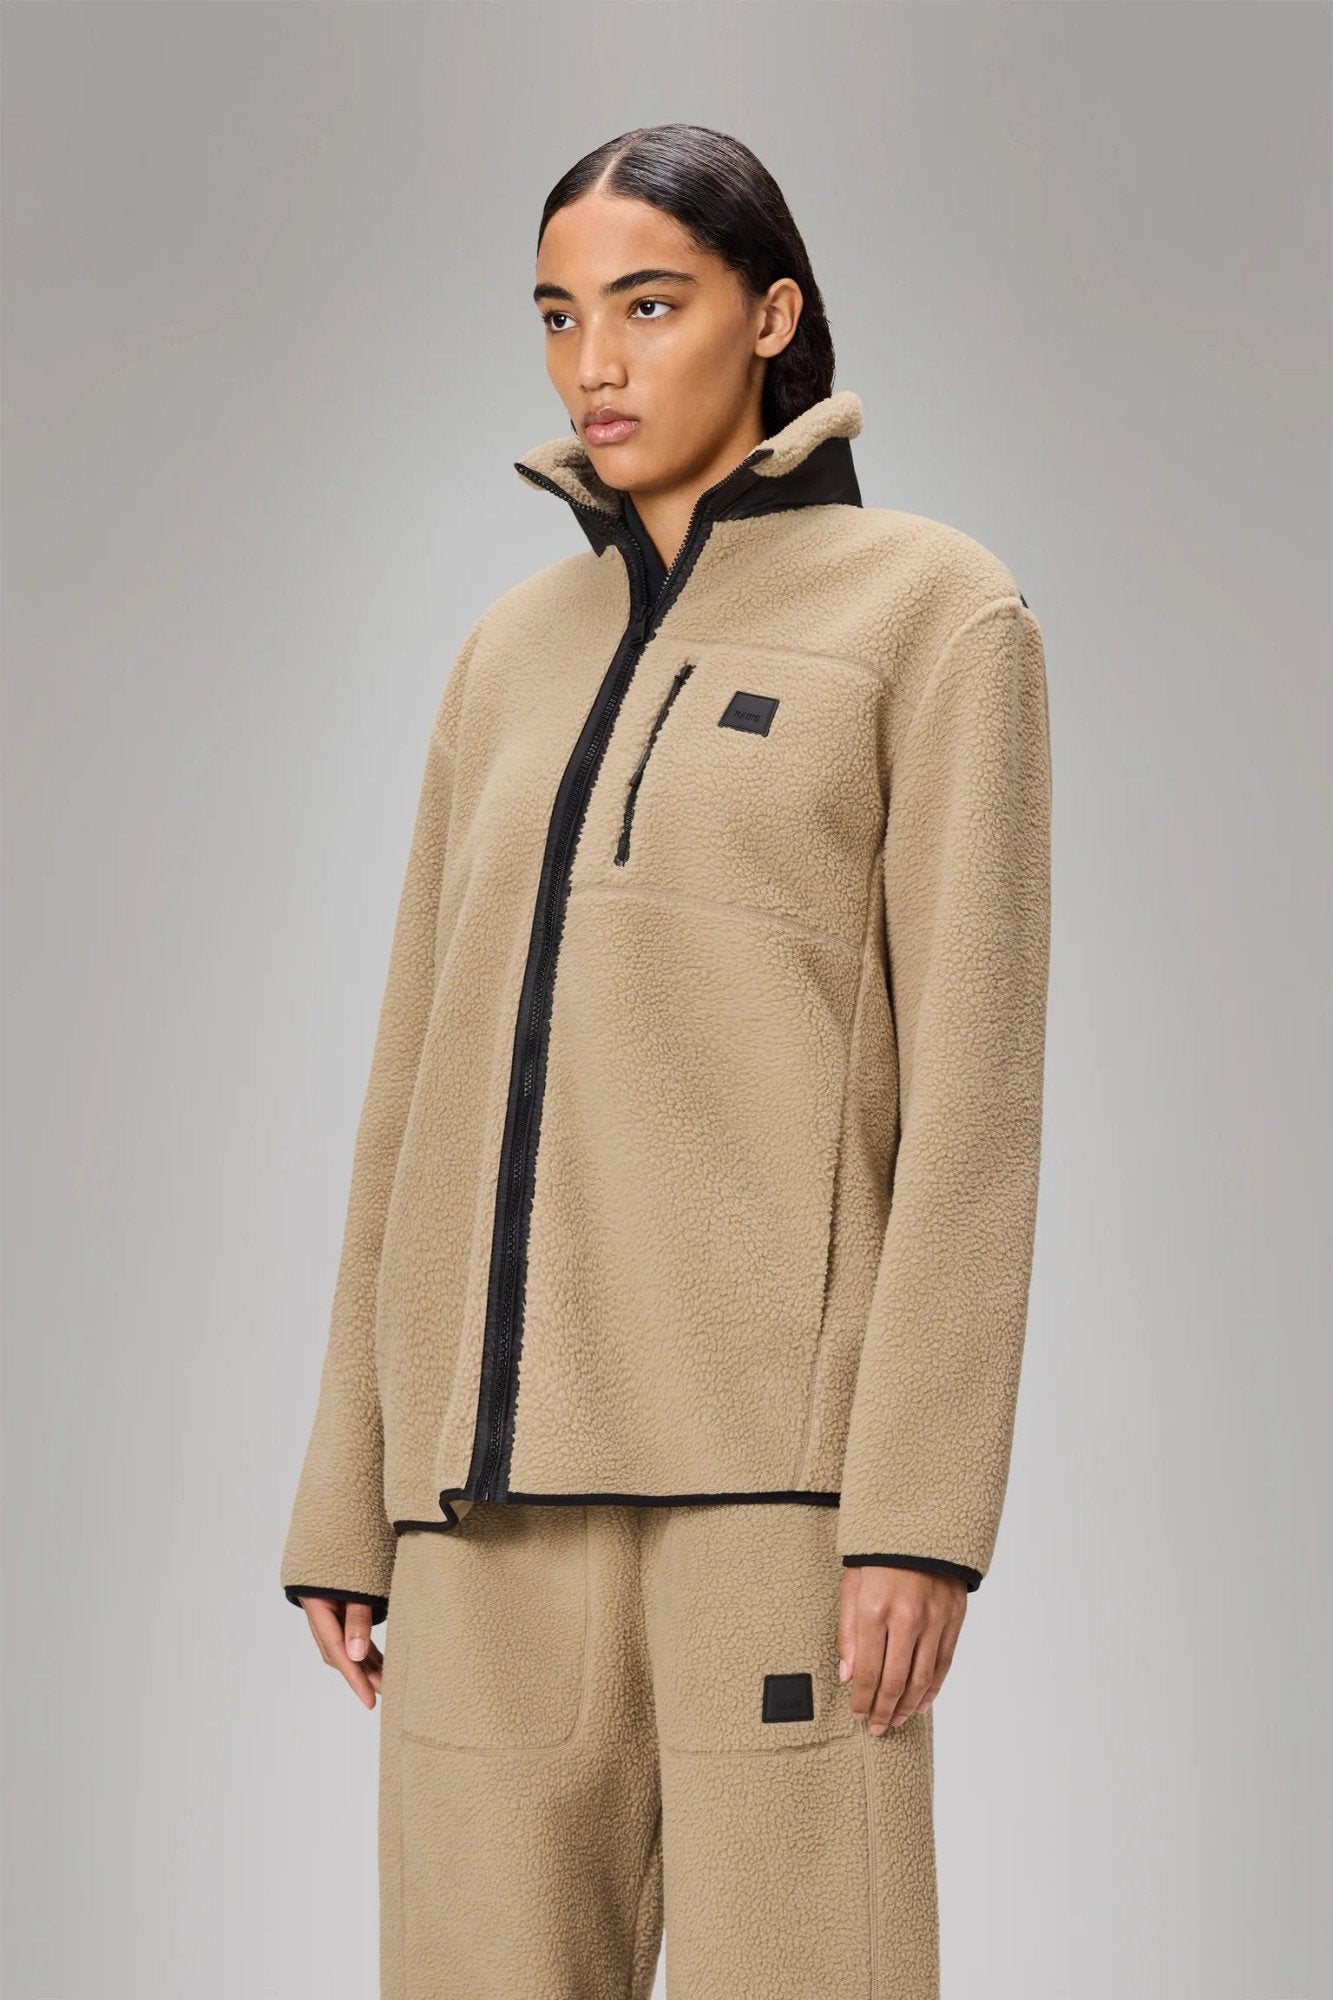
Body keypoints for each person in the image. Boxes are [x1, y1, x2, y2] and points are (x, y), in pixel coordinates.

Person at [280, 121, 1052, 2000]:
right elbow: (412, 1088)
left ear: (769, 315)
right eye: (558, 316)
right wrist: (346, 1492)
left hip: (774, 1499)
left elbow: (975, 1104)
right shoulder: (507, 655)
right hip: (480, 1506)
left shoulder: (933, 614)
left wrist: (920, 1517)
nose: (594, 365)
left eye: (648, 304)